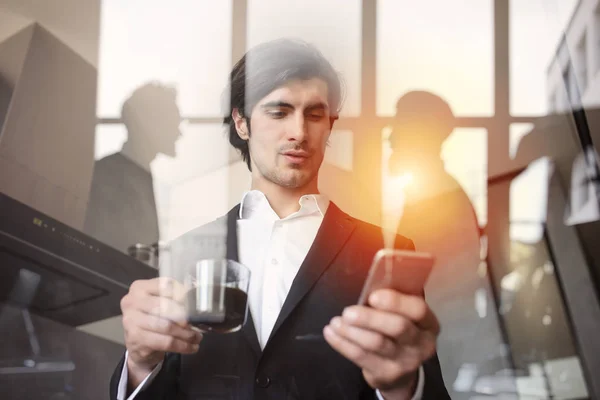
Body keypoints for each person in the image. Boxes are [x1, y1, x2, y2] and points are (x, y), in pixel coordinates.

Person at [110, 39, 450, 400]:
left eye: (315, 115)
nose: (299, 133)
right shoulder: (183, 255)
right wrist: (140, 365)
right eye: (278, 112)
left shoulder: (383, 252)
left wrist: (401, 387)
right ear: (241, 122)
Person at [388, 92, 511, 397]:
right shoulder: (429, 195)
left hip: (440, 344)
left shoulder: (439, 200)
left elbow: (447, 286)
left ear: (420, 135)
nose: (390, 138)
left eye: (399, 128)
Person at [84, 83, 181, 254]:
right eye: (173, 122)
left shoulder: (139, 173)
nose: (179, 132)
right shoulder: (107, 176)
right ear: (151, 124)